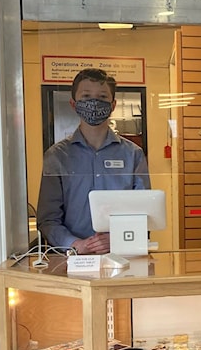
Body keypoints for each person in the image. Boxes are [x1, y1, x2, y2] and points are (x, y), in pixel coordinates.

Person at [37, 68, 150, 254]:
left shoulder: (134, 155)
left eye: (102, 97)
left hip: (123, 255)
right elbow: (48, 219)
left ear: (113, 105)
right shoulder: (56, 156)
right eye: (86, 96)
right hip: (71, 258)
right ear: (73, 104)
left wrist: (117, 238)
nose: (94, 102)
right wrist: (76, 244)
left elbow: (144, 213)